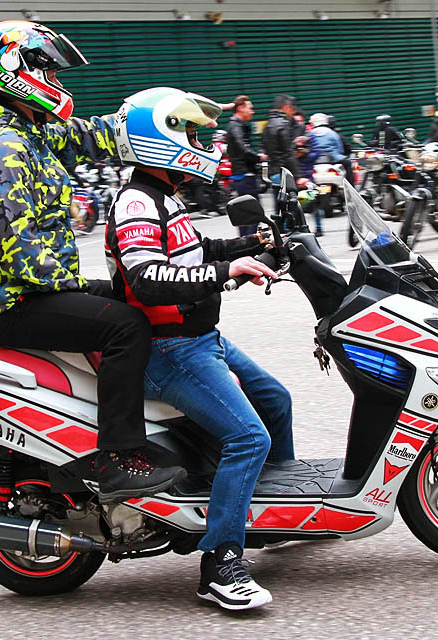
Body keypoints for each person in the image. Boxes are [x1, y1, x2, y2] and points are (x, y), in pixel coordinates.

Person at [0, 20, 185, 503]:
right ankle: (117, 457)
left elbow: (93, 135)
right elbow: (21, 250)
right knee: (125, 326)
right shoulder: (5, 147)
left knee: (136, 296)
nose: (56, 83)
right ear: (14, 71)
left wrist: (169, 121)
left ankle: (161, 426)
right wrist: (74, 286)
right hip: (12, 301)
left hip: (36, 288)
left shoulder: (31, 130)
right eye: (47, 71)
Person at [110, 87, 296, 611]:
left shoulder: (165, 196)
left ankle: (262, 516)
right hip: (170, 349)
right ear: (158, 138)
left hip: (201, 339)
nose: (198, 143)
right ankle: (220, 562)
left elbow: (197, 250)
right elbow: (148, 278)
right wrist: (226, 270)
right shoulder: (136, 201)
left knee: (275, 399)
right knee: (247, 438)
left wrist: (245, 247)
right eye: (188, 133)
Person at [226, 94, 266, 236]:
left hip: (241, 175)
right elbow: (243, 149)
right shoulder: (236, 126)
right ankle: (248, 245)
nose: (252, 111)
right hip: (245, 175)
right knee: (252, 213)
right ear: (241, 108)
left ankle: (244, 245)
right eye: (250, 108)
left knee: (245, 214)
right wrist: (258, 157)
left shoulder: (236, 126)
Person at [302, 113, 346, 237]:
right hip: (332, 161)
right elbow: (340, 149)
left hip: (315, 167)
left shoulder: (309, 134)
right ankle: (351, 191)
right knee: (347, 163)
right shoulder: (332, 133)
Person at [262, 94, 301, 183]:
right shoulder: (283, 124)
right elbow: (288, 152)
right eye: (293, 109)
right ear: (287, 107)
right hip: (285, 173)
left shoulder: (267, 125)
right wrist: (298, 176)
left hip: (274, 174)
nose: (293, 113)